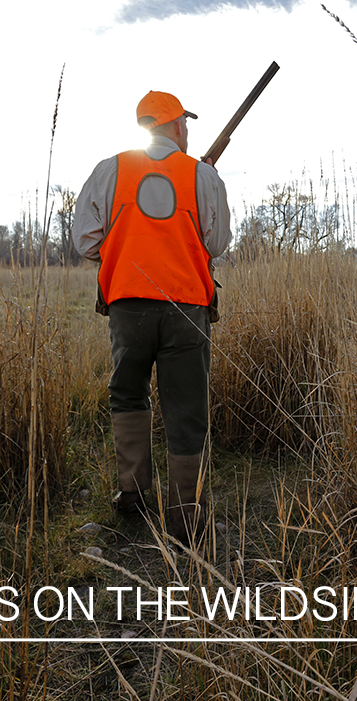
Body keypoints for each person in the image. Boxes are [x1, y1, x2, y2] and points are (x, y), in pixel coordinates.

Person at [73, 90, 231, 547]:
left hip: (128, 307)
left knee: (127, 392)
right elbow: (217, 243)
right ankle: (186, 522)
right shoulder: (201, 174)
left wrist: (129, 250)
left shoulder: (110, 170)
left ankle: (133, 496)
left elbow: (86, 242)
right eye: (186, 123)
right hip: (187, 309)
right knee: (186, 408)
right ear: (177, 125)